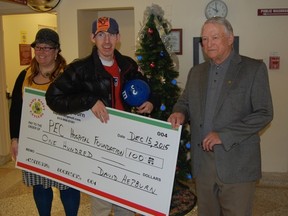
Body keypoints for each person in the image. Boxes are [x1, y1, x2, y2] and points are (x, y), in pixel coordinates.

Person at [45, 17, 157, 216]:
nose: (107, 41)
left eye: (111, 34)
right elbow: (53, 98)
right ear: (92, 38)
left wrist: (150, 101)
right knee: (101, 207)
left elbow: (148, 88)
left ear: (118, 37)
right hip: (99, 151)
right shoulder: (80, 69)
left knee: (126, 205)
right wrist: (89, 100)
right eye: (101, 35)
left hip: (126, 147)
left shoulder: (128, 65)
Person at [168, 17, 273, 216]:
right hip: (203, 164)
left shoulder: (253, 69)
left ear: (230, 38)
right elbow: (185, 102)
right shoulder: (196, 72)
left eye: (214, 37)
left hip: (238, 163)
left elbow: (264, 113)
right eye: (204, 39)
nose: (208, 44)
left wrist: (224, 135)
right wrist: (179, 112)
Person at [10, 28, 80, 216]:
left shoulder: (69, 76)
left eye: (46, 48)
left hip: (64, 143)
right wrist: (15, 138)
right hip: (34, 142)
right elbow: (16, 109)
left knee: (68, 184)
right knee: (39, 184)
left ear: (57, 51)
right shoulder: (24, 76)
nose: (41, 52)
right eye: (38, 47)